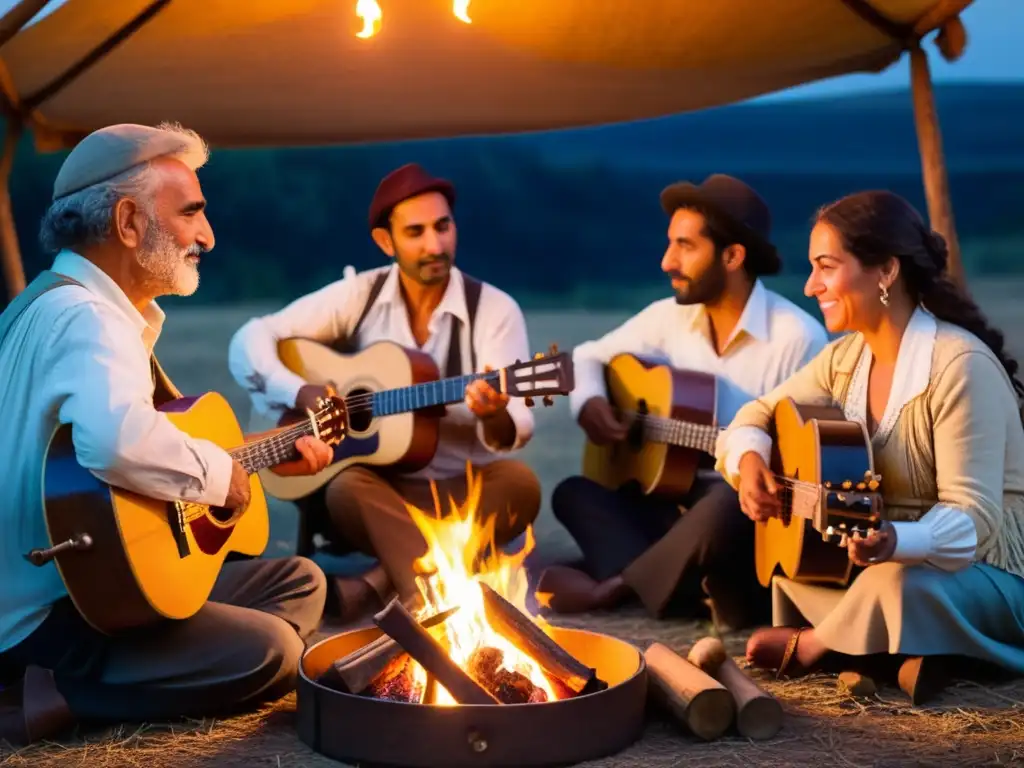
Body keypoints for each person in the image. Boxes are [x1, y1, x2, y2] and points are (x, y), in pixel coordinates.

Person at [0, 123, 333, 745]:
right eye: (191, 213)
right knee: (274, 654)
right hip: (57, 618)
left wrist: (260, 459)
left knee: (300, 581)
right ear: (128, 223)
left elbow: (127, 453)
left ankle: (161, 627)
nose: (207, 235)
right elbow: (115, 442)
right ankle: (60, 693)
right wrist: (216, 475)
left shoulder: (52, 305)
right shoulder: (88, 318)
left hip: (100, 582)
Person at [717, 189, 1024, 704]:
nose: (811, 285)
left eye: (826, 267)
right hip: (881, 569)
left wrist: (896, 542)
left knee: (899, 589)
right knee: (796, 581)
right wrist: (749, 459)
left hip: (991, 572)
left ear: (885, 271)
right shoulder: (844, 360)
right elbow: (756, 412)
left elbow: (975, 517)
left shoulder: (957, 366)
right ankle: (908, 655)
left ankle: (821, 646)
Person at [228, 162, 541, 622]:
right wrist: (300, 392)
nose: (434, 245)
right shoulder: (361, 295)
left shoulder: (494, 310)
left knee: (520, 484)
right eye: (416, 232)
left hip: (461, 492)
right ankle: (439, 589)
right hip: (377, 494)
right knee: (343, 489)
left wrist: (493, 413)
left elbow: (519, 423)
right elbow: (250, 339)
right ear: (385, 242)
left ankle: (382, 584)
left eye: (443, 226)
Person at [538, 174, 828, 631]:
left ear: (733, 256)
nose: (667, 261)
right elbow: (591, 354)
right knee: (574, 494)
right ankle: (687, 583)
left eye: (685, 246)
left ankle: (619, 586)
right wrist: (591, 402)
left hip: (742, 515)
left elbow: (804, 465)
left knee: (723, 504)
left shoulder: (798, 339)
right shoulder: (669, 317)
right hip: (672, 505)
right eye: (670, 244)